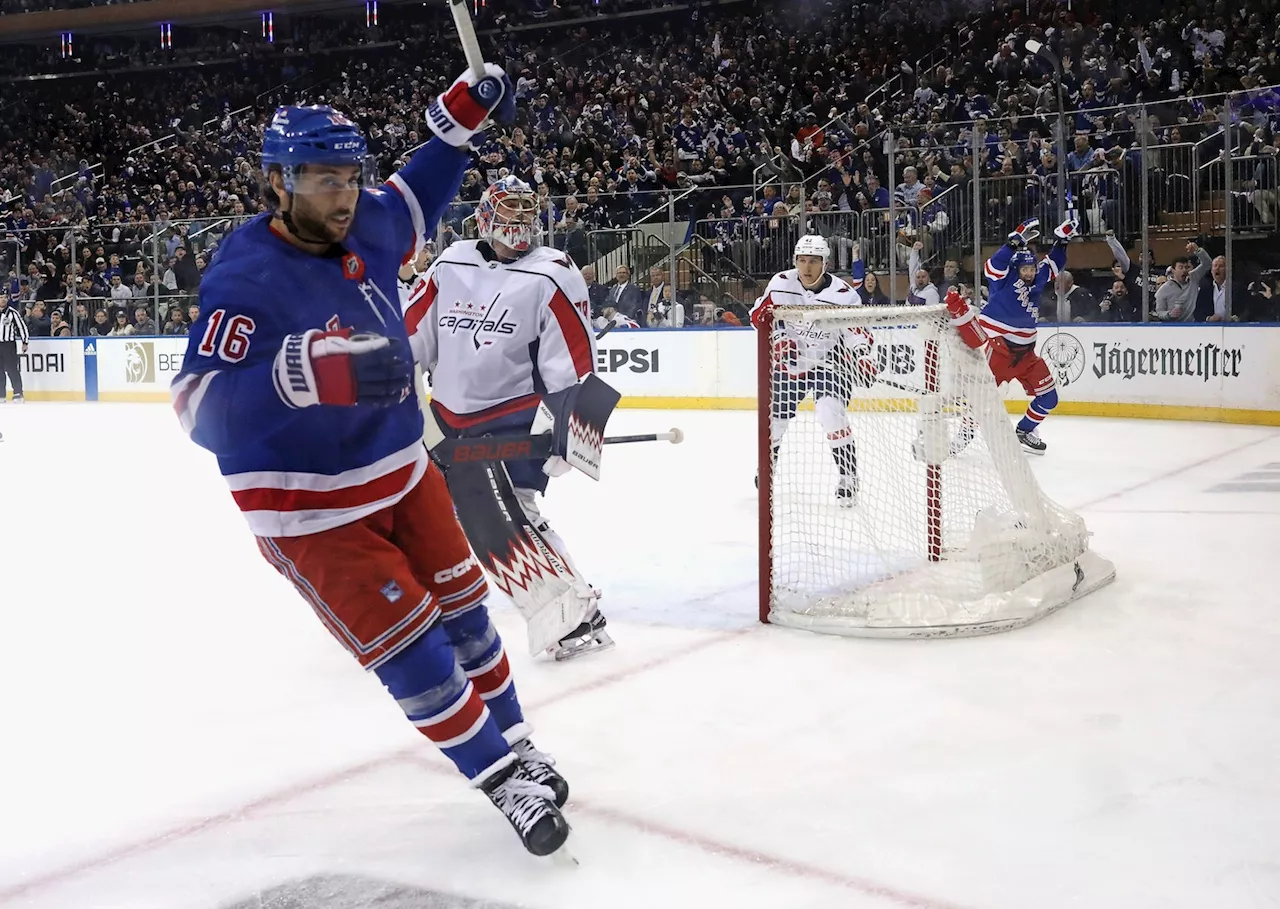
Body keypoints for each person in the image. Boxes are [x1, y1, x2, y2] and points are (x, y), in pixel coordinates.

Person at [168, 75, 572, 859]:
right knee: (415, 648)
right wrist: (299, 371)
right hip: (310, 509)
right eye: (324, 180)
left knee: (467, 615)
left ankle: (519, 739)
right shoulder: (242, 275)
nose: (346, 194)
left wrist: (456, 125)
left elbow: (414, 194)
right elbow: (196, 408)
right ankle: (500, 778)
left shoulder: (369, 222)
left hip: (401, 469)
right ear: (278, 183)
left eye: (350, 176)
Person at [406, 175, 610, 661]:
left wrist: (576, 432)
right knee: (425, 514)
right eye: (509, 210)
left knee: (504, 513)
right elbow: (413, 335)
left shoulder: (554, 272)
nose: (520, 220)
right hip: (445, 421)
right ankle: (421, 602)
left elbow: (578, 360)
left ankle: (570, 614)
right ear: (484, 216)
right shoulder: (451, 262)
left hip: (514, 418)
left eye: (527, 211)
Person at [750, 234, 877, 503]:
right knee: (775, 422)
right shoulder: (781, 283)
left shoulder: (843, 295)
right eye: (802, 260)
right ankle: (766, 467)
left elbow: (856, 330)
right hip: (791, 363)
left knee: (830, 413)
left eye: (813, 261)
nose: (806, 268)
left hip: (829, 364)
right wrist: (778, 338)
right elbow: (758, 316)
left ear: (825, 263)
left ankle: (848, 476)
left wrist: (862, 355)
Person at [956, 216, 1075, 454]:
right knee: (982, 397)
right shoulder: (1003, 279)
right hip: (1000, 350)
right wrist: (1012, 243)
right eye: (1025, 269)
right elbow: (992, 266)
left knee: (1049, 397)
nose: (1030, 273)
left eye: (1032, 268)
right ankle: (963, 436)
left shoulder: (1038, 278)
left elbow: (1053, 262)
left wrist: (1062, 240)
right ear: (1016, 268)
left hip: (1027, 355)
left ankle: (1025, 430)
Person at [0, 293, 29, 402]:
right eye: (1, 298)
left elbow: (22, 327)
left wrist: (25, 342)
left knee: (12, 369)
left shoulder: (12, 312)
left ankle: (18, 393)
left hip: (8, 345)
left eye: (5, 298)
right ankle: (1, 394)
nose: (3, 300)